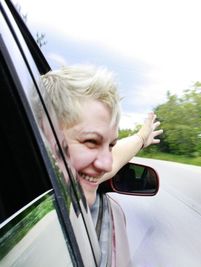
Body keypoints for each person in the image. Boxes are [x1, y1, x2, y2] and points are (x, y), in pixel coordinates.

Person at [39, 64, 162, 266]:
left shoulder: (65, 178)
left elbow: (115, 160)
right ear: (43, 135)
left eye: (110, 145)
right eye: (90, 142)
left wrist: (141, 138)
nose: (107, 164)